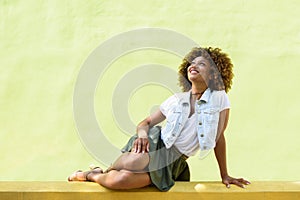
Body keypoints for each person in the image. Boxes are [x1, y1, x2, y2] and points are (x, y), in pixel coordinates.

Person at [68, 47, 251, 191]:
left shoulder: (219, 98)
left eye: (202, 64)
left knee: (121, 180)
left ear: (213, 74)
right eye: (191, 63)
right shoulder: (176, 100)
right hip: (155, 144)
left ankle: (93, 175)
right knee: (134, 162)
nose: (192, 65)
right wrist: (142, 135)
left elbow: (219, 137)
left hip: (175, 160)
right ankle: (106, 170)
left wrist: (224, 175)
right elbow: (145, 123)